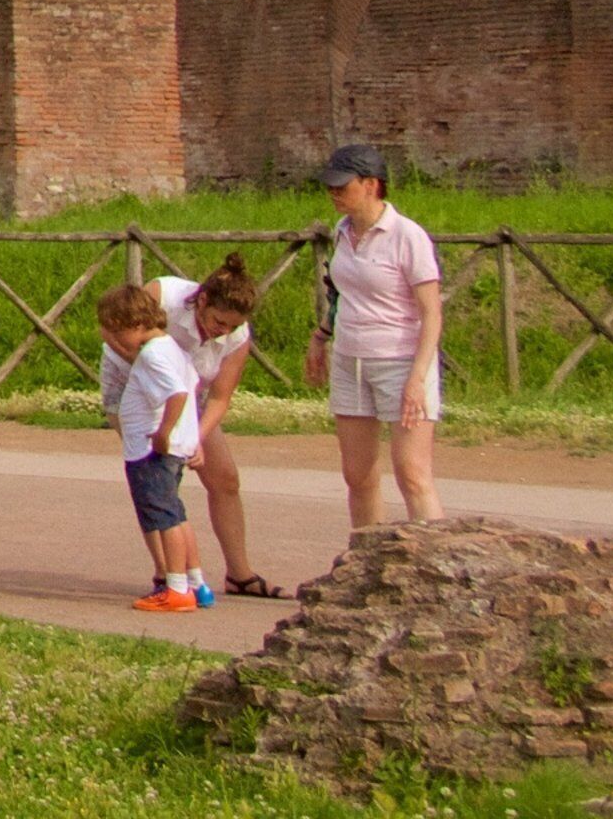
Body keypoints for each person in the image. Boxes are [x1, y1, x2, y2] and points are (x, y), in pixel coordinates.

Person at [303, 143, 447, 526]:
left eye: (342, 185)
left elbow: (431, 313)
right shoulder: (342, 231)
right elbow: (341, 294)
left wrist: (418, 377)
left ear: (370, 184)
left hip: (400, 361)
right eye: (330, 186)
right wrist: (321, 336)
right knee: (358, 475)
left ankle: (435, 561)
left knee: (412, 475)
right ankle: (364, 561)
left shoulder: (407, 236)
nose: (333, 193)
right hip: (351, 360)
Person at [154, 254, 280, 600]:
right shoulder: (165, 296)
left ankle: (239, 575)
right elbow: (118, 327)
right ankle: (169, 574)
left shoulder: (237, 337)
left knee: (225, 478)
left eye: (232, 326)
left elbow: (220, 398)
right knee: (159, 482)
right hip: (144, 400)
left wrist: (195, 437)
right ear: (203, 300)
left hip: (189, 405)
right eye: (218, 321)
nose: (222, 331)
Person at [98, 282, 209, 613]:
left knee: (163, 517)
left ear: (135, 326)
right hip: (171, 445)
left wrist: (163, 433)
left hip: (152, 448)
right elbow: (191, 387)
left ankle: (175, 587)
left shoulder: (152, 356)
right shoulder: (173, 348)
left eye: (118, 334)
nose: (117, 344)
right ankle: (195, 581)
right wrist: (190, 438)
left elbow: (177, 394)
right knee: (175, 512)